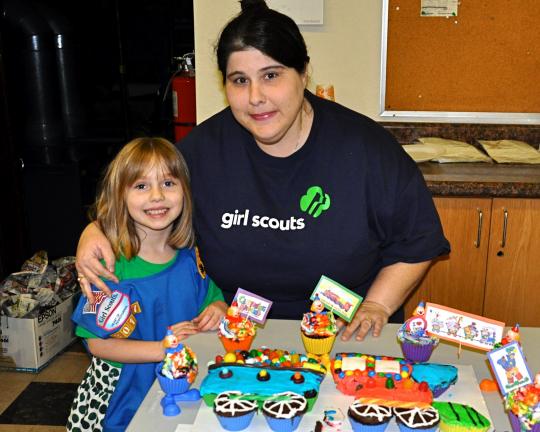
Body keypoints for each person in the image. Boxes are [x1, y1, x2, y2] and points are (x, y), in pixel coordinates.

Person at [75, 0, 449, 344]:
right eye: (240, 80)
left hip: (344, 337)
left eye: (271, 76)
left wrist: (377, 307)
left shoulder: (367, 150)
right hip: (237, 337)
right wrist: (96, 230)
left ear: (303, 73)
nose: (255, 97)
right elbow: (150, 202)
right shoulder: (203, 151)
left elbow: (417, 240)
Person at [66, 137, 226, 432]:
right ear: (120, 196)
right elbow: (97, 343)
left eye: (168, 183)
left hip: (181, 390)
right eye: (141, 186)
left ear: (185, 193)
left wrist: (217, 308)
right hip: (122, 399)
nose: (157, 196)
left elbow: (213, 300)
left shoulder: (190, 260)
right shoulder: (109, 268)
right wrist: (163, 349)